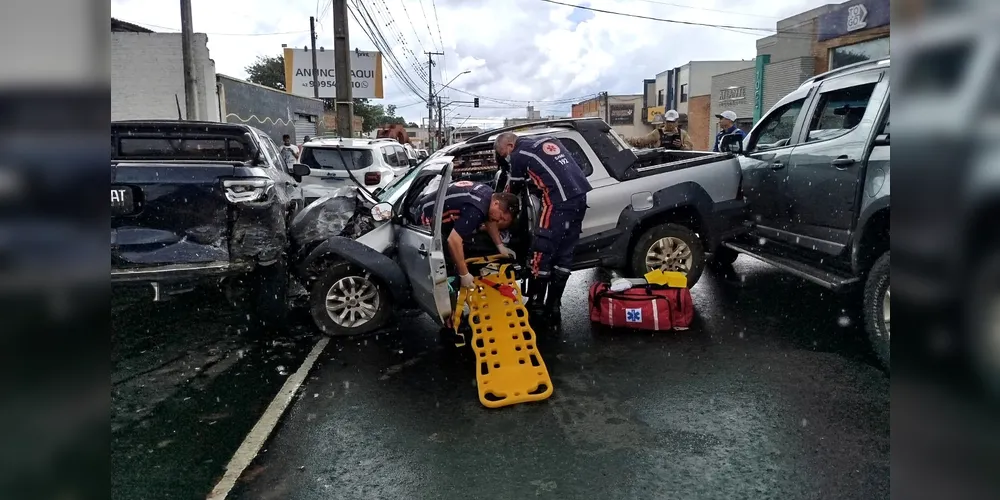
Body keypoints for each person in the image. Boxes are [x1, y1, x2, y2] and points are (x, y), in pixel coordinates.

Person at [495, 132, 591, 320]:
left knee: (542, 252)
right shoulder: (549, 140)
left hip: (558, 203)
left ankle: (536, 305)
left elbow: (512, 191)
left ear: (510, 146)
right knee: (565, 253)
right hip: (580, 197)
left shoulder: (519, 154)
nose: (506, 158)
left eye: (504, 154)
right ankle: (554, 306)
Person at [416, 181, 520, 290]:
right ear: (496, 204)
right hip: (424, 218)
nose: (499, 221)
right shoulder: (476, 209)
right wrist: (464, 274)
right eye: (501, 217)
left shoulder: (488, 195)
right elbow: (453, 240)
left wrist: (500, 246)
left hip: (432, 208)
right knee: (451, 259)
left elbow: (490, 220)